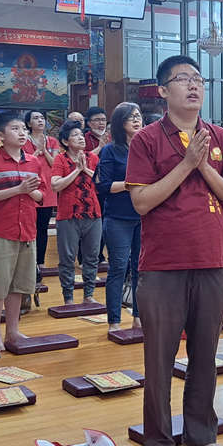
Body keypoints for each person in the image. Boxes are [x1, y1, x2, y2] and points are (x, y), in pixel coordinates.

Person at [127, 55, 223, 446]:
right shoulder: (147, 139)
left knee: (205, 352)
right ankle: (159, 442)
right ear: (163, 91)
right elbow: (141, 202)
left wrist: (203, 166)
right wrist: (185, 164)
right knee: (159, 356)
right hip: (163, 264)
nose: (194, 85)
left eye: (198, 78)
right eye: (183, 79)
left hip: (214, 258)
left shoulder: (220, 138)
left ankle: (200, 434)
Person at [0, 111, 43, 358]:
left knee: (18, 285)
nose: (22, 133)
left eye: (23, 129)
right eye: (15, 129)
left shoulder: (34, 162)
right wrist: (19, 189)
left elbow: (41, 195)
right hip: (0, 230)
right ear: (0, 135)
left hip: (26, 230)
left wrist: (29, 191)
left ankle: (13, 331)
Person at [96, 102, 144, 332]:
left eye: (138, 116)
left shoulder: (146, 149)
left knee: (141, 269)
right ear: (119, 122)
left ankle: (139, 317)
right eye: (131, 117)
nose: (136, 120)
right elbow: (103, 186)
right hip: (117, 217)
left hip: (143, 216)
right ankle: (114, 320)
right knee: (118, 268)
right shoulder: (110, 150)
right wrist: (129, 184)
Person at [51, 121, 101, 308]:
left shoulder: (92, 158)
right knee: (67, 258)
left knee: (92, 257)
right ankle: (68, 298)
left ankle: (89, 295)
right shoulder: (61, 159)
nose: (81, 138)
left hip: (93, 213)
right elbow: (56, 185)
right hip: (68, 215)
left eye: (81, 134)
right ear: (65, 141)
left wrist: (85, 168)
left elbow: (101, 181)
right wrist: (77, 170)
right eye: (75, 135)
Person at [23, 110, 60, 267]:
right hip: (30, 188)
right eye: (36, 118)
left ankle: (40, 262)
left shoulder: (52, 141)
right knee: (29, 227)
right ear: (29, 123)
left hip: (48, 190)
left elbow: (55, 164)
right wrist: (37, 151)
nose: (40, 120)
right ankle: (28, 262)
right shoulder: (24, 141)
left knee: (43, 228)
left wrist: (44, 150)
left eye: (42, 118)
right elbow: (24, 162)